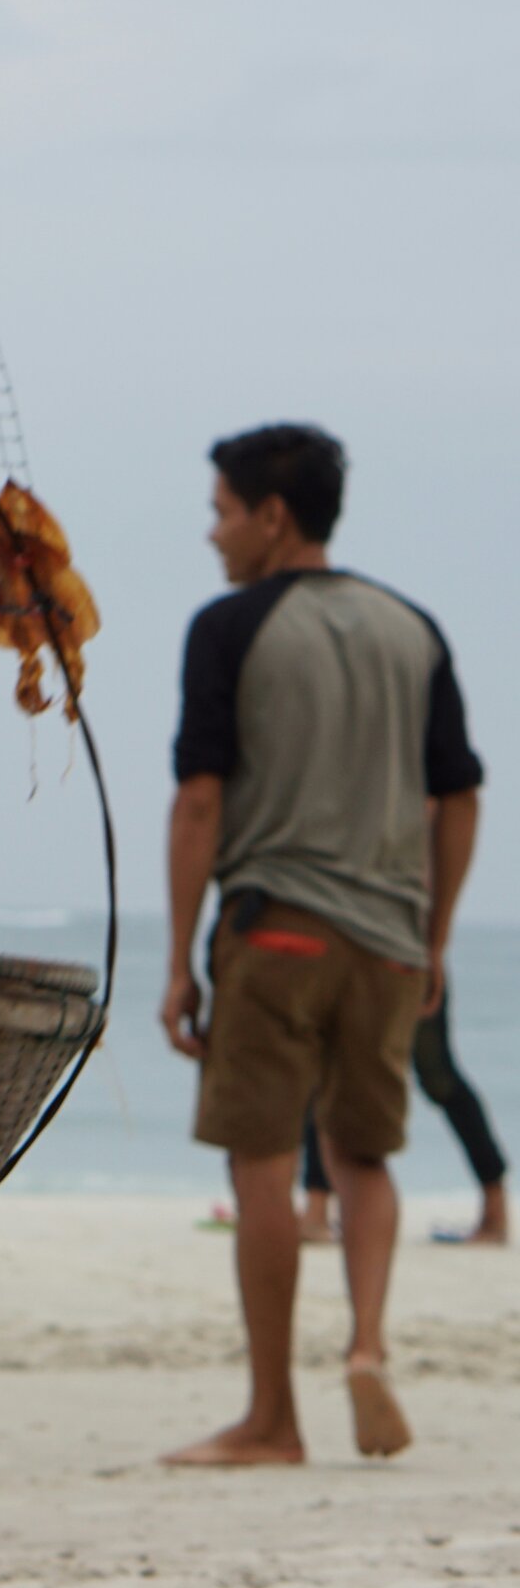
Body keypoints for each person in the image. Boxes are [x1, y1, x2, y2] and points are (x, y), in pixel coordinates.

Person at [158, 424, 484, 1467]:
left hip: (278, 928)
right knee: (364, 1155)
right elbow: (460, 794)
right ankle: (368, 1347)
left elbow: (200, 799)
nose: (213, 533)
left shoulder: (228, 627)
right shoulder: (413, 628)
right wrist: (433, 937)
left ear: (272, 515)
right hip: (389, 942)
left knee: (262, 1161)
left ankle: (271, 1419)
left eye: (222, 512)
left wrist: (178, 958)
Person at [298, 1012, 507, 1246]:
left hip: (405, 990)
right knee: (327, 1075)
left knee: (438, 1077)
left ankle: (495, 1207)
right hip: (387, 989)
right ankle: (316, 1210)